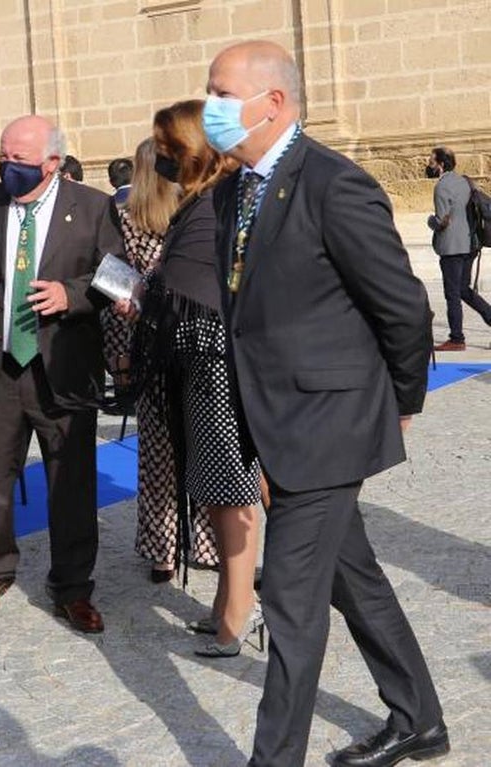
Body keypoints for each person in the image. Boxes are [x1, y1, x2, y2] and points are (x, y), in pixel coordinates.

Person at [206, 40, 447, 767]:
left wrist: (403, 398)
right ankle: (420, 718)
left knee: (289, 595)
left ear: (273, 102)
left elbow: (403, 308)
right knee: (354, 576)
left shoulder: (333, 183)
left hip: (329, 423)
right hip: (277, 418)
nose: (209, 106)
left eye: (221, 93)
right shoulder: (232, 189)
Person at [0, 115, 121, 633]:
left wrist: (73, 295)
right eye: (3, 156)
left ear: (52, 163)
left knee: (71, 484)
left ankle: (72, 586)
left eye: (19, 159)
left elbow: (118, 276)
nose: (7, 167)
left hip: (62, 369)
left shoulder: (91, 206)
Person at [123, 101, 261, 656]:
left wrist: (147, 294)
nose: (158, 158)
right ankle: (228, 599)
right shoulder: (205, 199)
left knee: (231, 494)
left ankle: (239, 610)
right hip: (201, 364)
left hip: (217, 367)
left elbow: (185, 286)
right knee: (219, 493)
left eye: (165, 147)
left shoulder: (214, 205)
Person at [102, 139, 218, 585]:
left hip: (177, 344)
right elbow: (112, 282)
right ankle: (185, 546)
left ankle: (184, 546)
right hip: (172, 342)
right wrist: (120, 354)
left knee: (181, 452)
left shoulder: (187, 212)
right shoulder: (142, 217)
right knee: (180, 452)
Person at [427, 146, 489, 351]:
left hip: (452, 248)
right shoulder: (465, 181)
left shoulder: (442, 187)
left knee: (452, 293)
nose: (428, 165)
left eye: (431, 161)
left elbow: (442, 220)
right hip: (470, 245)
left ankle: (456, 338)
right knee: (463, 289)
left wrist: (430, 221)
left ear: (441, 164)